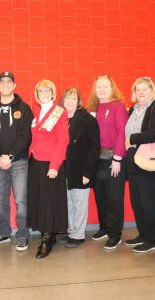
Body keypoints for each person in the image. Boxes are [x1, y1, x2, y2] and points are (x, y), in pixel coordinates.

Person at [0, 71, 33, 251]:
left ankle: (23, 234)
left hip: (19, 162)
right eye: (2, 82)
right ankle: (4, 232)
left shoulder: (25, 108)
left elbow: (25, 136)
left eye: (9, 82)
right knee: (0, 201)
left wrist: (10, 156)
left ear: (14, 85)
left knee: (21, 200)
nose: (5, 84)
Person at [27, 79, 69, 259]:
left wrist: (54, 166)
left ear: (53, 93)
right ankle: (48, 234)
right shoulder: (36, 111)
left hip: (50, 163)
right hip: (35, 161)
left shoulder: (59, 112)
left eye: (47, 91)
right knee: (39, 200)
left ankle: (46, 238)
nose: (43, 94)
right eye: (40, 91)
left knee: (48, 201)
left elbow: (63, 140)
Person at [87, 75, 128, 250]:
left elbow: (122, 133)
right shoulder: (94, 108)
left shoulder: (117, 106)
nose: (101, 89)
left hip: (114, 160)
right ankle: (104, 228)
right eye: (98, 87)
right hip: (98, 160)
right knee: (101, 197)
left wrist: (118, 158)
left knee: (113, 198)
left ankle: (115, 234)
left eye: (105, 86)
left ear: (112, 88)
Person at [59, 87, 100, 248]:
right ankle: (71, 231)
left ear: (78, 101)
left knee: (79, 202)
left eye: (73, 98)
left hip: (81, 169)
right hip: (64, 169)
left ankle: (78, 234)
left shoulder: (87, 119)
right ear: (62, 100)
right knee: (68, 202)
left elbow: (94, 148)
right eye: (67, 98)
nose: (70, 101)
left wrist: (87, 172)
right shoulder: (60, 118)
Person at [125, 77, 155, 253]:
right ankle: (143, 234)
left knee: (148, 201)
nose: (141, 92)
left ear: (152, 90)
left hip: (147, 159)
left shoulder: (153, 107)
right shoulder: (133, 109)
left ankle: (152, 239)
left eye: (145, 89)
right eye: (138, 89)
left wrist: (131, 138)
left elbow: (153, 133)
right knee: (136, 200)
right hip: (132, 157)